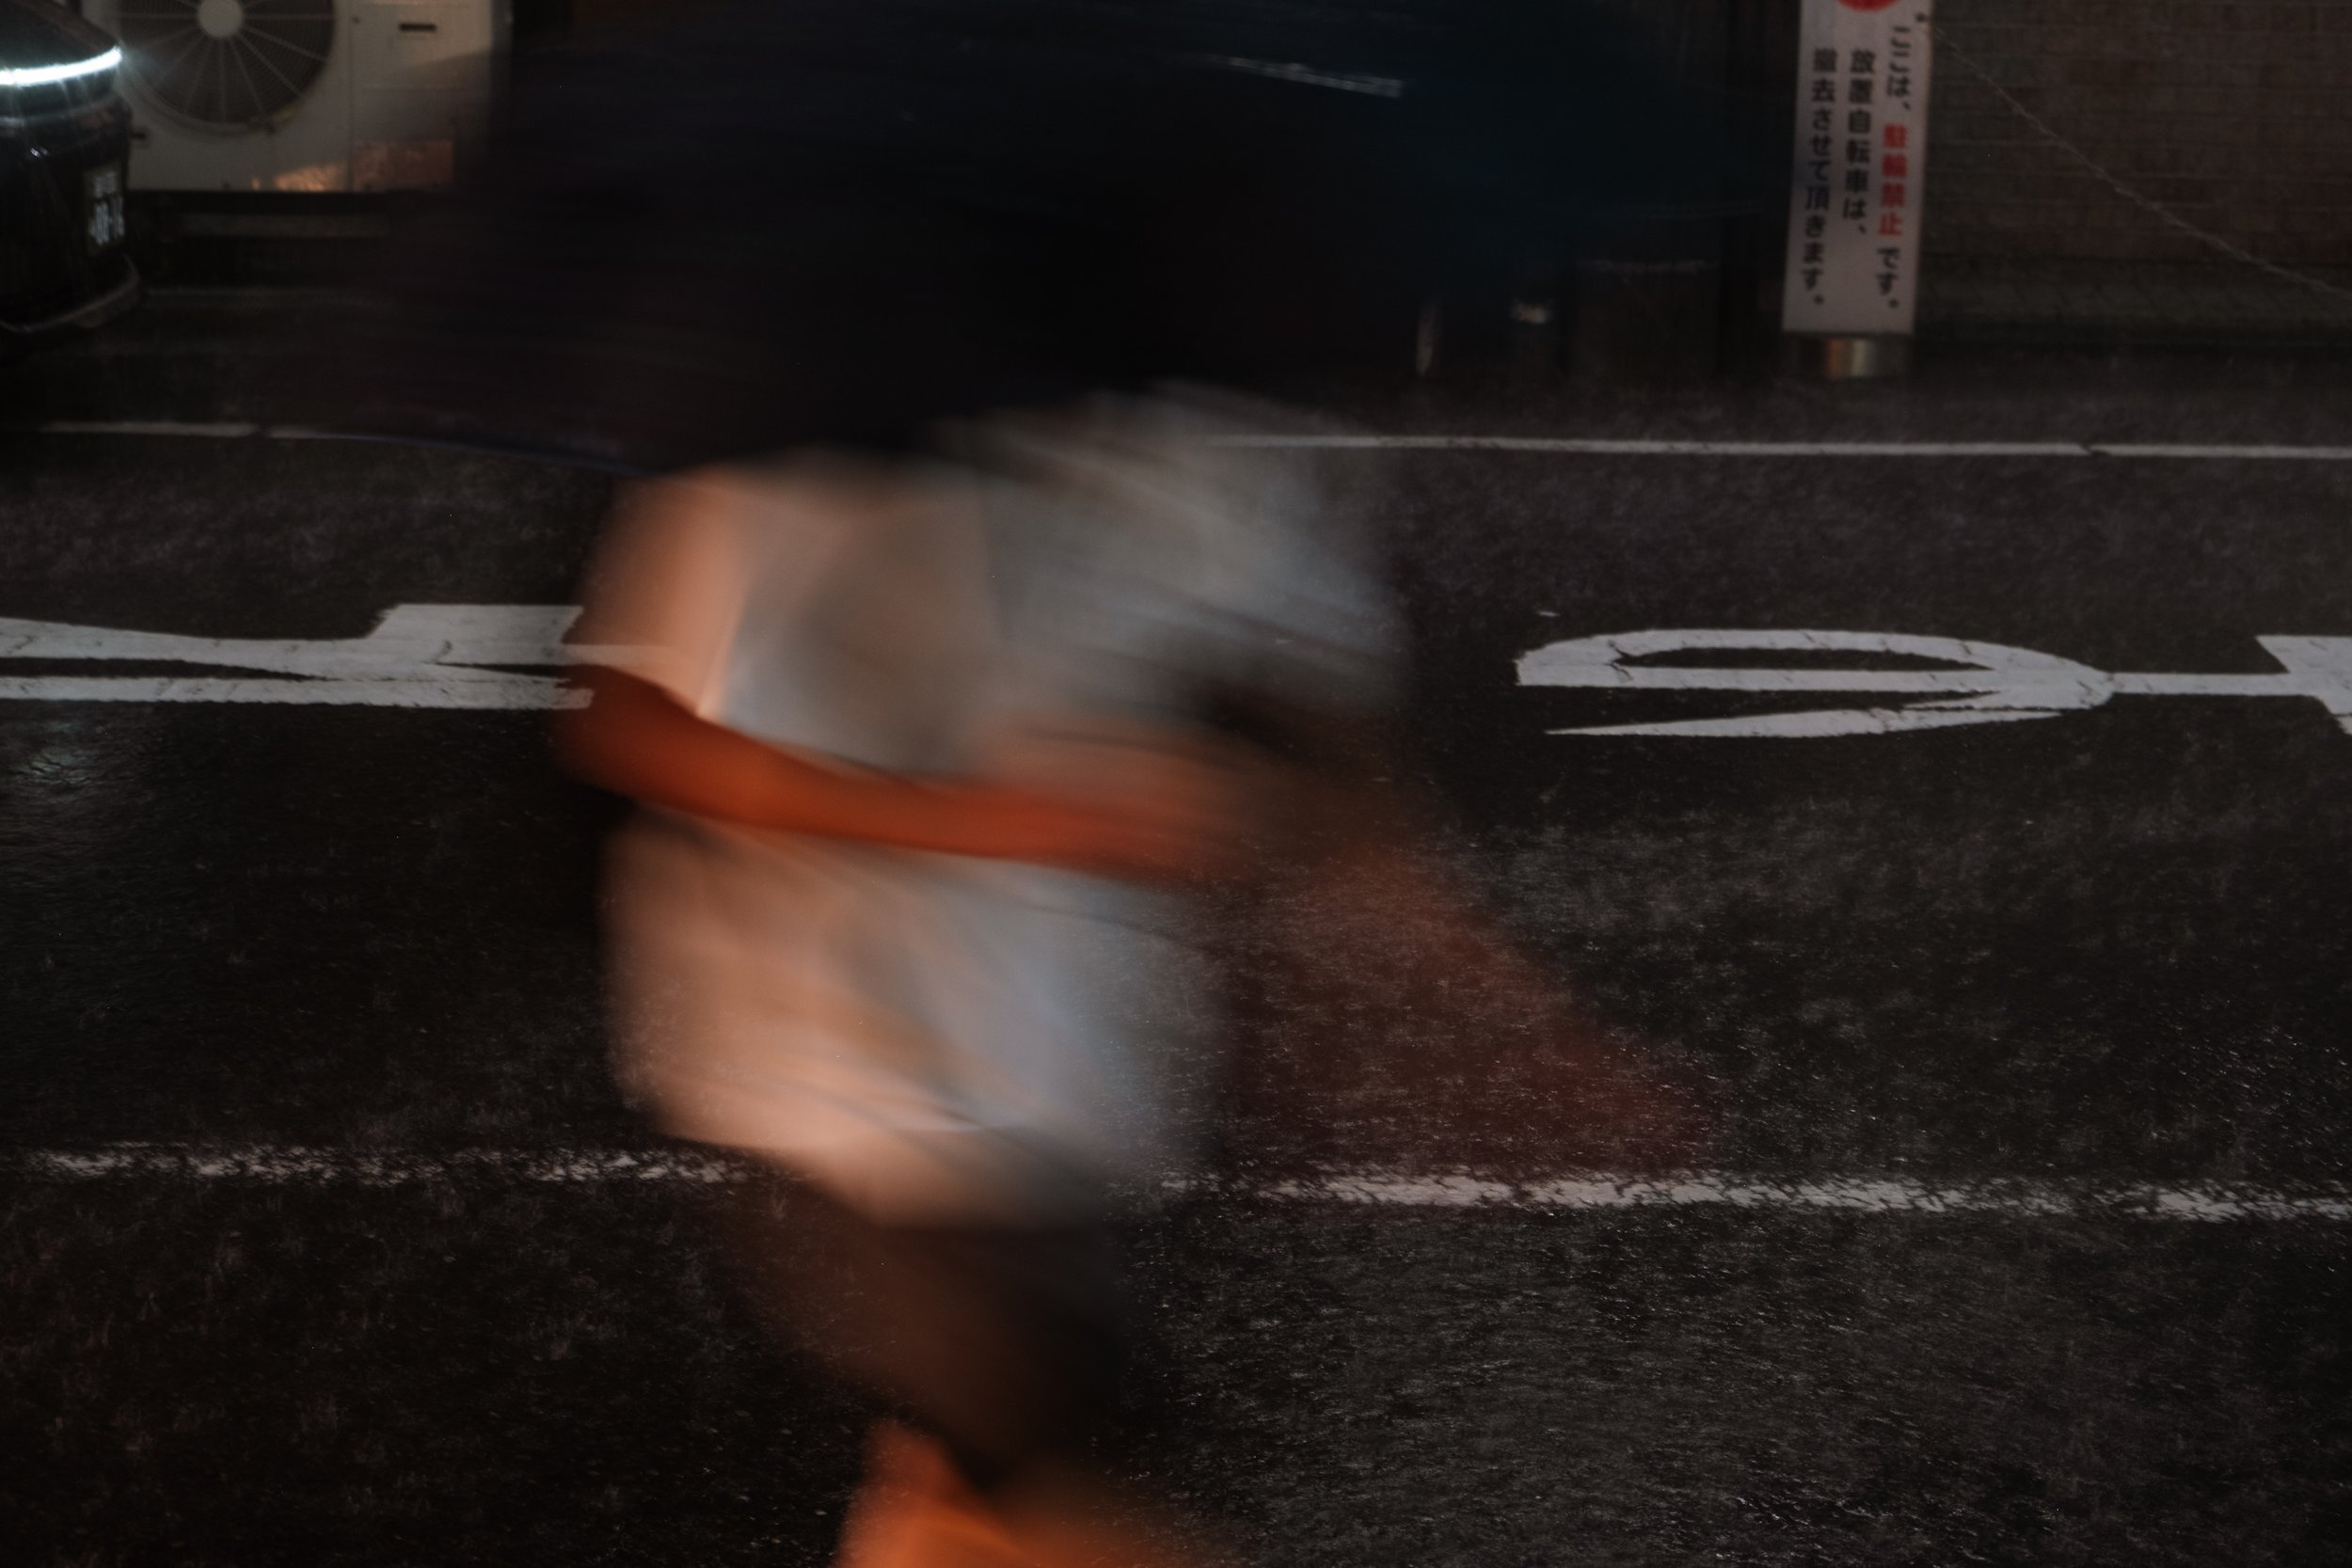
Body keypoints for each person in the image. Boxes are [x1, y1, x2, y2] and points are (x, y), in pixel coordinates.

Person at [558, 389, 1398, 1568]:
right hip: (859, 1080)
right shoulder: (799, 432)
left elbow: (1306, 709)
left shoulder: (1179, 436)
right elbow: (635, 725)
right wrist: (1009, 820)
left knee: (956, 1506)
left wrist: (1274, 822)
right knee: (1058, 1503)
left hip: (1065, 1084)